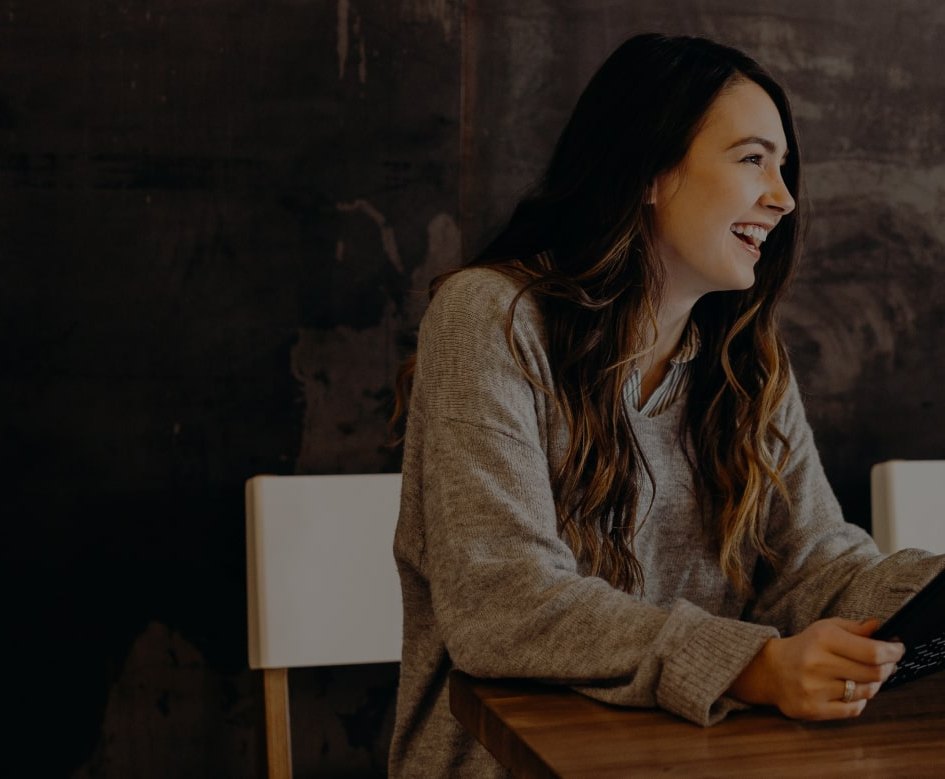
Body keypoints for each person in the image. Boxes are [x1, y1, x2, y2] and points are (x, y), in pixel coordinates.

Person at [387, 33, 945, 778]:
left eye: (782, 167)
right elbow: (503, 598)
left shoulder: (746, 363)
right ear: (646, 171)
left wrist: (934, 590)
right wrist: (752, 666)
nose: (782, 196)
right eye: (752, 159)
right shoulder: (489, 317)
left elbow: (813, 565)